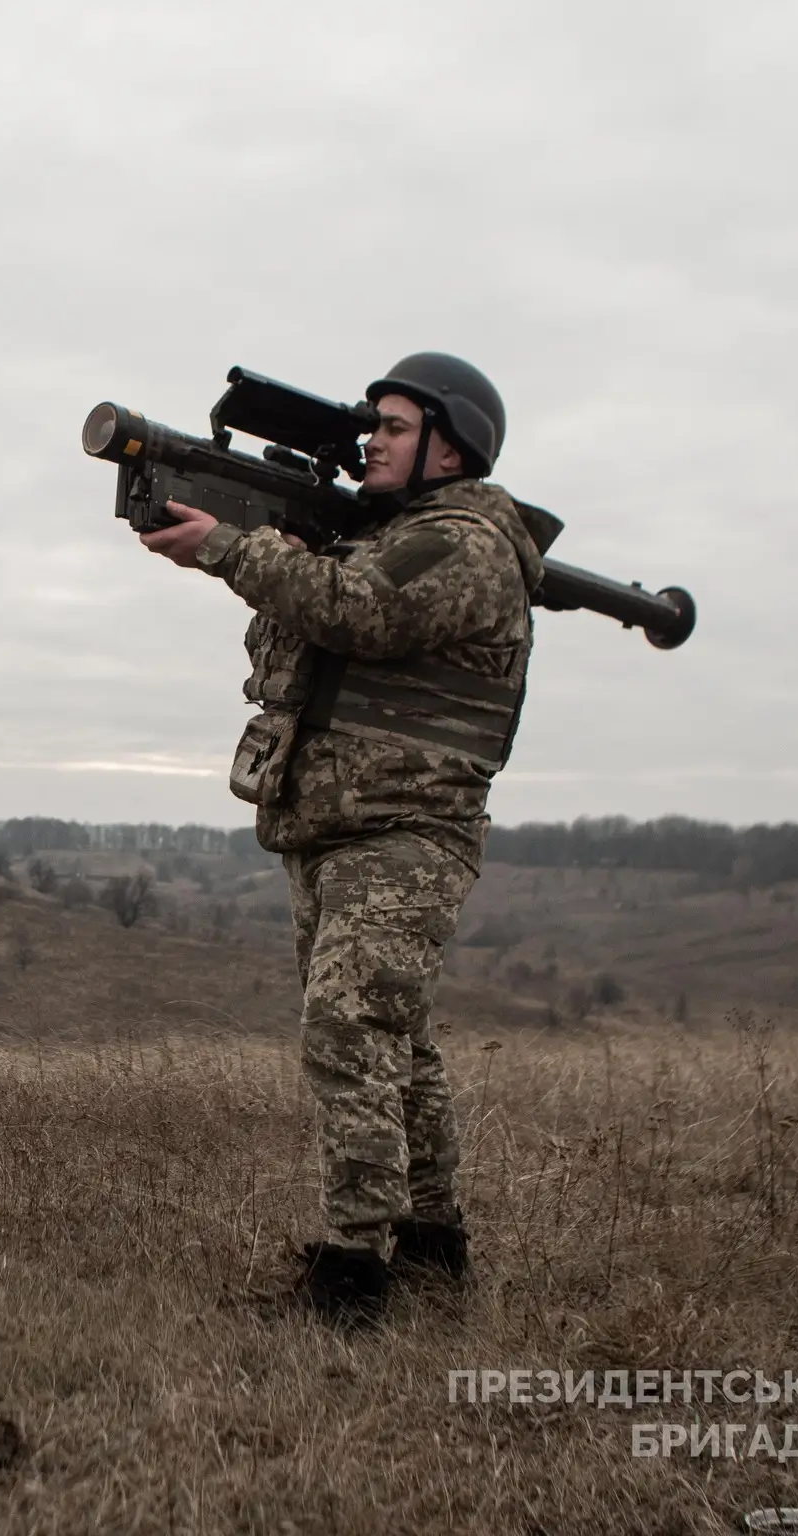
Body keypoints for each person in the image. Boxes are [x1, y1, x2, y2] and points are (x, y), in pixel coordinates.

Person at [137, 353, 542, 1317]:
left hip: (407, 829)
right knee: (396, 1035)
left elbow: (361, 610)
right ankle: (435, 1243)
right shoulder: (381, 537)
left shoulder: (465, 542)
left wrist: (232, 550)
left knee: (348, 1031)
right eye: (374, 426)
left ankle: (351, 1271)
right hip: (338, 824)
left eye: (394, 427)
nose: (372, 440)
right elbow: (303, 632)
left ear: (452, 445)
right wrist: (268, 546)